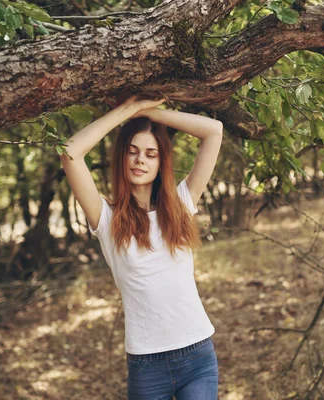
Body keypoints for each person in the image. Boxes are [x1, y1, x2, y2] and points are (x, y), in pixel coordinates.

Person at [60, 94, 224, 399]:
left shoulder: (181, 205)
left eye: (151, 154)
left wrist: (150, 111)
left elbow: (213, 130)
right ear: (122, 157)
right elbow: (70, 152)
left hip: (197, 355)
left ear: (161, 161)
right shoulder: (106, 218)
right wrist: (126, 111)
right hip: (147, 366)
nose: (140, 160)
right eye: (133, 151)